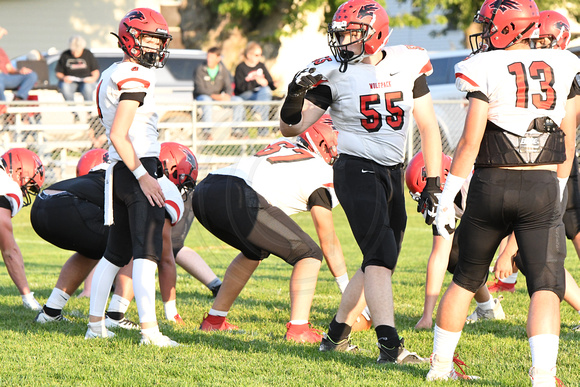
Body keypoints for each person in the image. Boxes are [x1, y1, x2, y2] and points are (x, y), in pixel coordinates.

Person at [279, 0, 442, 363]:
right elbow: (292, 127)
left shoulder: (407, 62)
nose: (342, 40)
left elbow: (429, 127)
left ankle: (335, 336)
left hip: (392, 172)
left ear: (376, 32)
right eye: (339, 33)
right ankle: (390, 347)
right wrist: (294, 95)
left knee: (378, 259)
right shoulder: (336, 72)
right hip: (355, 169)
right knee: (380, 256)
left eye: (350, 33)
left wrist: (433, 180)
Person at [430, 0, 580, 383]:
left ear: (508, 27)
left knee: (465, 278)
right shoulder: (564, 63)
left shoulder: (481, 66)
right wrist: (560, 184)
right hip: (543, 185)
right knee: (545, 285)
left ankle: (440, 368)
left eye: (487, 23)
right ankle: (543, 376)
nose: (481, 30)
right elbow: (569, 132)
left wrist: (447, 200)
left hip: (491, 184)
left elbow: (469, 141)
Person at [194, 115, 348, 343]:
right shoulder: (321, 170)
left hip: (206, 190)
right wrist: (347, 290)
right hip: (239, 194)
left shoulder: (284, 145)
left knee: (254, 250)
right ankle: (298, 330)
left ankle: (214, 321)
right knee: (309, 254)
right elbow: (329, 240)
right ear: (324, 140)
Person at [85, 8, 178, 347]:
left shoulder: (114, 70)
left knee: (117, 250)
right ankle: (150, 331)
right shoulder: (134, 73)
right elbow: (120, 133)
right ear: (132, 38)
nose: (156, 46)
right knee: (146, 252)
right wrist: (144, 176)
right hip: (134, 166)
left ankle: (95, 325)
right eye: (151, 38)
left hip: (120, 169)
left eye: (159, 39)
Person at [486, 10, 575, 294]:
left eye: (546, 40)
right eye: (537, 39)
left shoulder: (566, 73)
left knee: (536, 252)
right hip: (550, 169)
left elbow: (567, 138)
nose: (539, 45)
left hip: (558, 170)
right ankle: (507, 279)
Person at [406, 152, 505, 330]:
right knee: (453, 256)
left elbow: (512, 217)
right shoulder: (449, 191)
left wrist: (507, 252)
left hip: (517, 211)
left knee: (531, 261)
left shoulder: (474, 184)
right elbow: (439, 255)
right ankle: (488, 308)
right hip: (488, 215)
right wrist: (427, 315)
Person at [0, 148, 44, 311]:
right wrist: (27, 297)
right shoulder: (6, 186)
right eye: (28, 185)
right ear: (19, 171)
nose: (25, 191)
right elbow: (9, 251)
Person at [193, 46, 244, 139]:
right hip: (205, 97)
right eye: (208, 57)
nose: (209, 59)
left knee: (238, 100)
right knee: (206, 100)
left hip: (219, 98)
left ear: (218, 58)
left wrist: (227, 95)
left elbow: (228, 86)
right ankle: (207, 132)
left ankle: (236, 131)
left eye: (211, 57)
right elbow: (200, 89)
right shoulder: (200, 69)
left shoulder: (222, 70)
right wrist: (215, 96)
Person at [55, 35, 100, 124]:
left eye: (77, 51)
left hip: (86, 81)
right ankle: (74, 113)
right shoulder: (65, 55)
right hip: (71, 82)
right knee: (64, 86)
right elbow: (58, 72)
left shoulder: (88, 54)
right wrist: (64, 78)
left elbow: (96, 72)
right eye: (73, 51)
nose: (75, 53)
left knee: (87, 87)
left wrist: (92, 79)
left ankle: (89, 112)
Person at [234, 41, 276, 131]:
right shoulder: (241, 67)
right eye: (257, 55)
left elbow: (270, 83)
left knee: (265, 91)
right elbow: (239, 87)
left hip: (261, 96)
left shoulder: (261, 65)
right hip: (246, 94)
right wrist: (256, 82)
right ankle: (259, 118)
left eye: (260, 55)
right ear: (249, 55)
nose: (259, 57)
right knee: (264, 98)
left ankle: (258, 114)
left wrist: (271, 83)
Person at [0, 27, 38, 108]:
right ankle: (3, 107)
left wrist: (20, 71)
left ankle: (18, 100)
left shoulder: (1, 51)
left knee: (32, 75)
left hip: (6, 77)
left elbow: (10, 69)